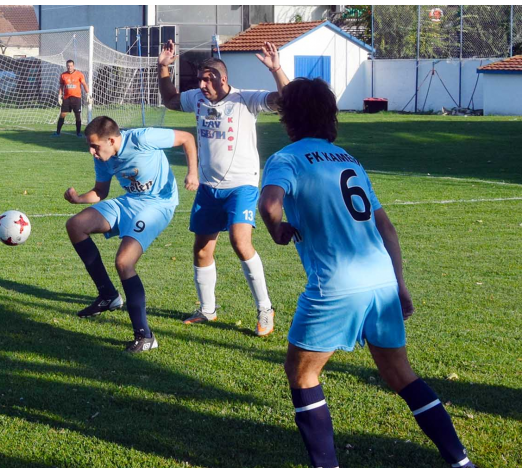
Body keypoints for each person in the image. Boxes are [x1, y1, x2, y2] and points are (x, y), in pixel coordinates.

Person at [258, 77, 472, 468]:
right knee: (400, 374)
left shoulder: (286, 158)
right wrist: (400, 286)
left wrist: (277, 231)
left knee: (301, 374)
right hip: (381, 281)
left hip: (337, 285)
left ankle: (327, 467)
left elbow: (270, 203)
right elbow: (385, 227)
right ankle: (459, 461)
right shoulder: (348, 160)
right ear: (330, 115)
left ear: (289, 118)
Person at [158, 40, 289, 336]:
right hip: (209, 187)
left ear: (223, 79)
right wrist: (163, 66)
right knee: (202, 249)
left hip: (241, 184)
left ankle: (265, 309)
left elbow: (286, 100)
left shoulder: (246, 99)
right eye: (201, 79)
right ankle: (207, 309)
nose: (202, 84)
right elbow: (170, 100)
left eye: (208, 79)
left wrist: (276, 69)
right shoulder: (197, 99)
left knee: (240, 241)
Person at [65, 116, 198, 353]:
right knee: (75, 225)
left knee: (124, 261)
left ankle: (145, 336)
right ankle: (108, 295)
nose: (91, 152)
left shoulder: (142, 138)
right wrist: (78, 199)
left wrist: (192, 174)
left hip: (158, 205)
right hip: (131, 202)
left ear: (113, 140)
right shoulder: (104, 157)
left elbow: (187, 138)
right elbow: (100, 192)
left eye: (95, 146)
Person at [52, 60, 90, 138]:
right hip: (66, 98)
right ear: (66, 66)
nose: (69, 67)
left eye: (71, 65)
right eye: (68, 66)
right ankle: (58, 132)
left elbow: (84, 84)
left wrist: (87, 94)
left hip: (76, 98)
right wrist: (59, 96)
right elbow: (61, 86)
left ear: (73, 66)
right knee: (62, 115)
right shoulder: (63, 75)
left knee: (78, 115)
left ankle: (78, 133)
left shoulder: (79, 74)